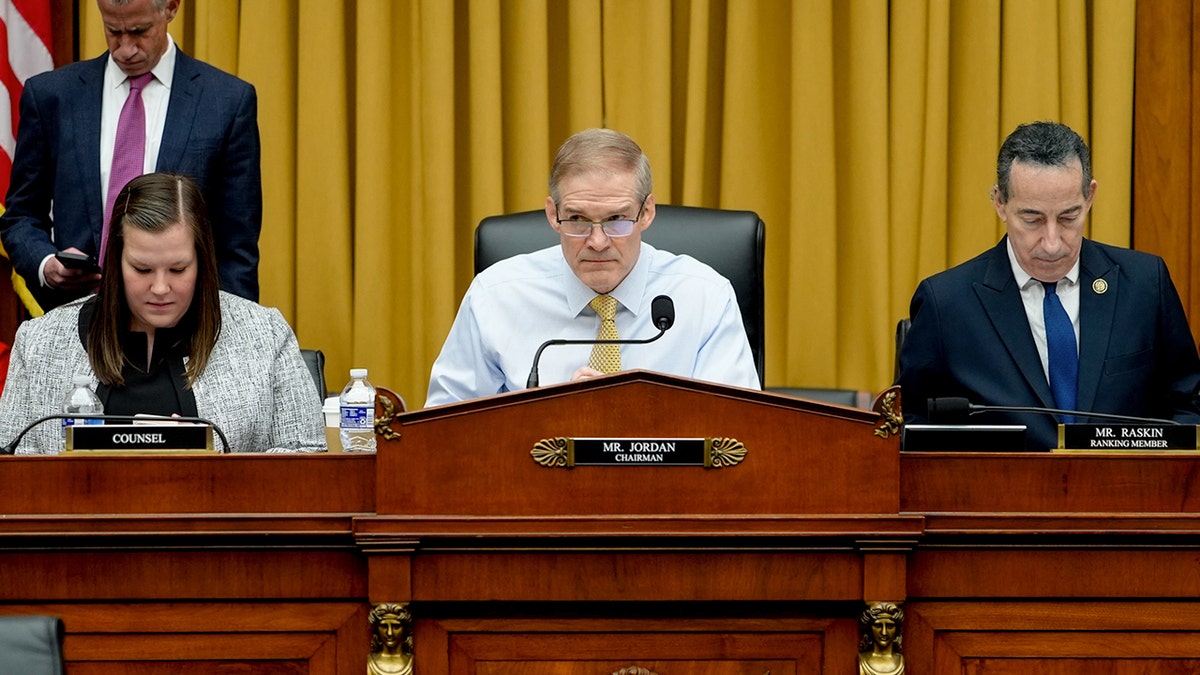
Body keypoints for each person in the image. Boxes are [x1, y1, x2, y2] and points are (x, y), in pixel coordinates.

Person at [897, 121, 1200, 450]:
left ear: (1090, 197)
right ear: (1000, 203)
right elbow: (911, 427)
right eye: (1032, 219)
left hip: (1125, 494)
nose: (1053, 243)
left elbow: (1188, 407)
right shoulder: (947, 304)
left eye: (1069, 218)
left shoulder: (1144, 285)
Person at [424, 128, 760, 406]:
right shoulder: (496, 295)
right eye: (578, 220)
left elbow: (738, 433)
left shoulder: (704, 296)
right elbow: (445, 433)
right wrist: (546, 421)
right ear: (553, 214)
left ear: (646, 213)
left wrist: (639, 418)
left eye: (616, 220)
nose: (597, 242)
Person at [0, 173, 324, 455]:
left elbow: (307, 458)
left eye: (178, 269)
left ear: (202, 261)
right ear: (116, 262)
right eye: (142, 269)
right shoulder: (41, 342)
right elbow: (11, 464)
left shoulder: (264, 334)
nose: (160, 288)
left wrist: (204, 462)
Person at [0, 0, 261, 311]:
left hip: (185, 324)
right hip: (77, 319)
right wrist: (45, 264)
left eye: (139, 32)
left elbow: (238, 247)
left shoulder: (227, 102)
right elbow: (21, 215)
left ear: (171, 8)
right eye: (113, 31)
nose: (125, 49)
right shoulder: (51, 97)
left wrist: (227, 338)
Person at [367, 603, 414, 675]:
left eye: (396, 626)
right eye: (384, 626)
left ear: (405, 629)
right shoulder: (370, 662)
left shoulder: (413, 662)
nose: (389, 633)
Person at [858, 602, 904, 675]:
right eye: (878, 625)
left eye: (890, 626)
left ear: (897, 630)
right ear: (869, 629)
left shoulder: (902, 662)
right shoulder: (861, 661)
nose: (884, 632)